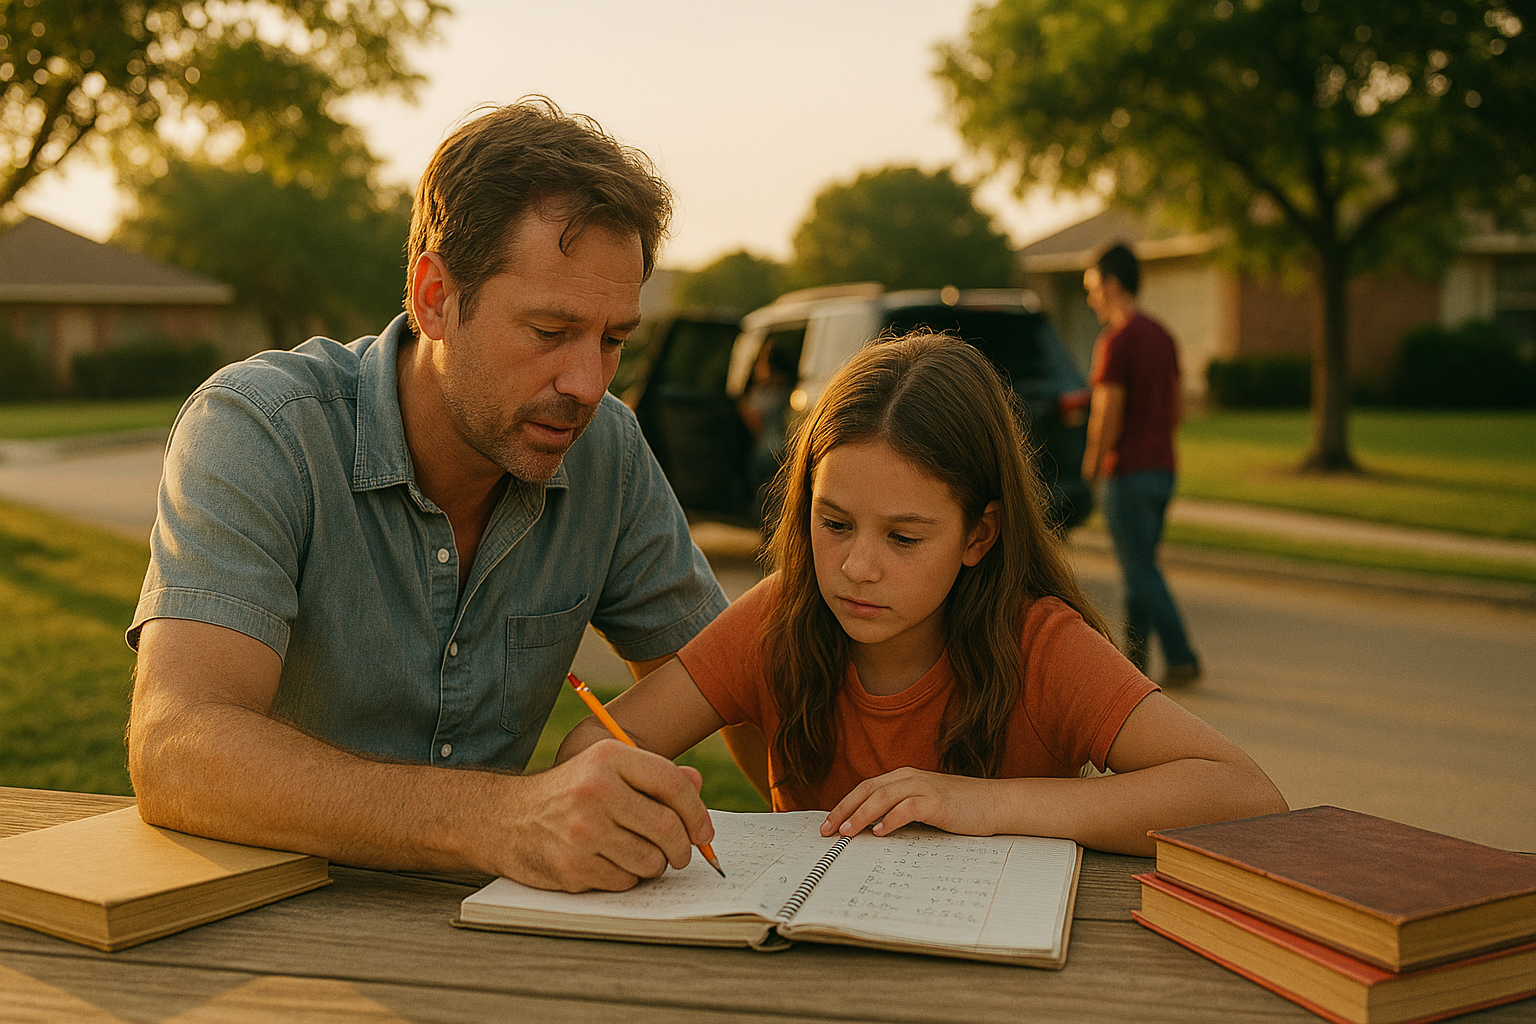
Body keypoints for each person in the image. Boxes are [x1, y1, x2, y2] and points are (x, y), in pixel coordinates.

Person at [125, 98, 728, 893]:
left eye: (614, 340)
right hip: (273, 938)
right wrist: (502, 819)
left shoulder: (607, 445)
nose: (588, 385)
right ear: (435, 296)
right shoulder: (262, 428)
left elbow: (736, 671)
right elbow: (175, 749)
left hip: (494, 939)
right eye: (549, 332)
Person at [557, 333, 1285, 856]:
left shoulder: (1039, 645)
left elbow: (1245, 799)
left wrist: (985, 803)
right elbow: (591, 741)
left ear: (979, 536)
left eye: (904, 538)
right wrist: (636, 796)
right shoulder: (782, 615)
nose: (857, 568)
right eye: (833, 523)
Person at [1081, 243, 1202, 687]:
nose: (1091, 297)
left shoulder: (1117, 340)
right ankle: (1133, 666)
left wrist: (1093, 465)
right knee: (1139, 565)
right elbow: (1177, 408)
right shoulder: (1163, 336)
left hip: (1127, 472)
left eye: (1092, 287)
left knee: (1140, 569)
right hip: (1164, 470)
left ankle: (1182, 656)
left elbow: (1107, 413)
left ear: (1112, 284)